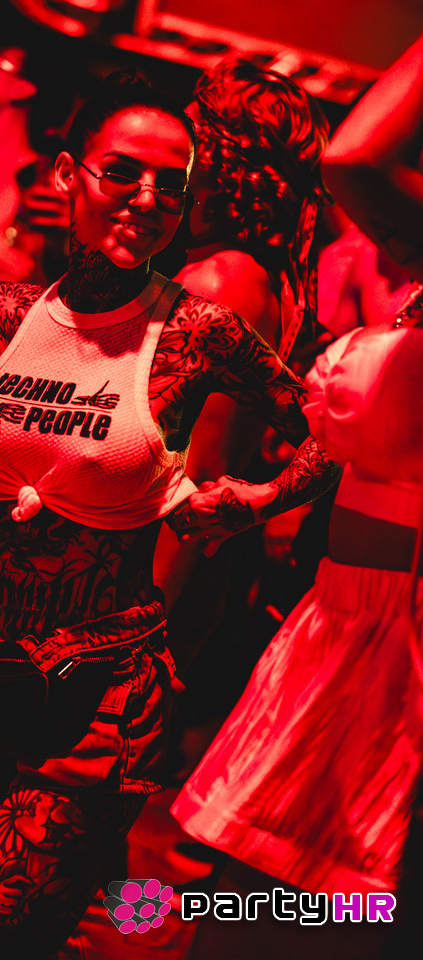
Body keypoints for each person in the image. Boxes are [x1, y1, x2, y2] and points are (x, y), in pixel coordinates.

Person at [0, 71, 340, 960]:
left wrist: (258, 501)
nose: (146, 199)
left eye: (170, 186)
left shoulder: (199, 328)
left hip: (101, 692)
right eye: (121, 173)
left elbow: (330, 430)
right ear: (67, 174)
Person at [171, 32, 423, 916]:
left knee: (340, 906)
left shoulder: (230, 278)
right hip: (338, 614)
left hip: (404, 638)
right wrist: (268, 499)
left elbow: (355, 158)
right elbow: (347, 437)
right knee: (260, 896)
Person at [153, 60, 331, 783]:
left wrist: (141, 628)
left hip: (152, 578)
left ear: (224, 154)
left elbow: (199, 469)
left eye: (194, 130)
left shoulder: (224, 280)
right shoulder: (248, 270)